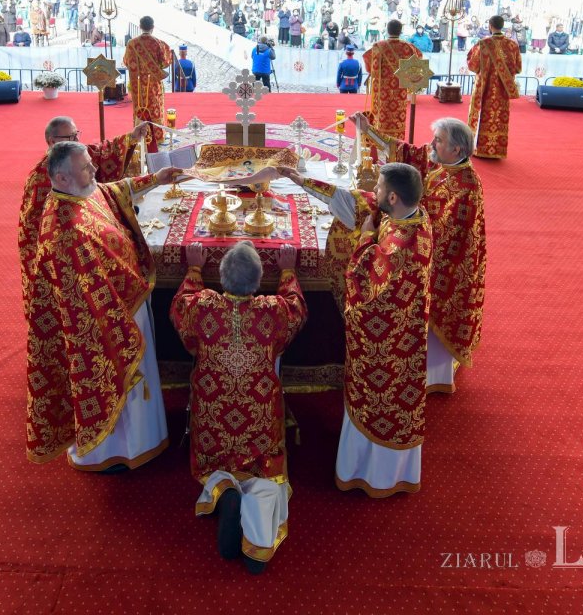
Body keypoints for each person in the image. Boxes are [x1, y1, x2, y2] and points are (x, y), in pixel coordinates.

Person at [271, 162, 433, 496]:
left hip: (385, 344)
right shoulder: (416, 215)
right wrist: (300, 180)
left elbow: (364, 281)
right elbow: (352, 199)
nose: (372, 194)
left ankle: (369, 472)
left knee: (378, 400)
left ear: (392, 196)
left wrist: (364, 237)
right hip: (406, 335)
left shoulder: (399, 247)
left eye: (378, 189)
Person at [25, 141, 183, 472]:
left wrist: (156, 178)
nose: (94, 170)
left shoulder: (81, 192)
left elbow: (112, 191)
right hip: (107, 328)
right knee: (124, 386)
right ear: (62, 178)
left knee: (141, 390)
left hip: (128, 303)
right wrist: (121, 330)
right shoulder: (64, 234)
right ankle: (117, 452)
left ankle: (145, 440)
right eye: (86, 168)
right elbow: (82, 306)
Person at [172, 241, 306, 574]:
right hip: (257, 421)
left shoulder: (202, 307)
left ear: (221, 277)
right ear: (259, 281)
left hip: (212, 419)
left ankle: (222, 485)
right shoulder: (272, 311)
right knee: (265, 474)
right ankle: (257, 539)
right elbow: (298, 308)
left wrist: (192, 269)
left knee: (215, 455)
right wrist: (288, 271)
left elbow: (179, 307)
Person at [355, 113, 487, 392]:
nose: (431, 145)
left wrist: (402, 228)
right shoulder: (443, 165)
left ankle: (434, 376)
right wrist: (370, 131)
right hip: (425, 248)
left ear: (457, 150)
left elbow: (448, 234)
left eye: (438, 141)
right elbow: (411, 153)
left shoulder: (468, 188)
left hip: (447, 266)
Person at [465, 15, 522, 159]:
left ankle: (479, 148)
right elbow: (518, 68)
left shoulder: (483, 43)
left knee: (482, 114)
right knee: (498, 117)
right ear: (502, 25)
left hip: (484, 87)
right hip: (502, 89)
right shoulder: (512, 45)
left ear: (490, 25)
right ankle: (497, 150)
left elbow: (473, 65)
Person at [363, 19, 422, 142]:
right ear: (400, 31)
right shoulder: (408, 47)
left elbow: (371, 68)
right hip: (400, 91)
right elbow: (419, 60)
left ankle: (381, 140)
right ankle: (397, 143)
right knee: (397, 117)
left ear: (387, 30)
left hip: (382, 92)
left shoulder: (379, 46)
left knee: (382, 116)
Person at [123, 15, 172, 151]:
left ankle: (140, 134)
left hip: (137, 85)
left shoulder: (132, 44)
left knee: (140, 107)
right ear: (152, 27)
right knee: (155, 107)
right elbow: (166, 62)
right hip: (153, 85)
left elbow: (126, 62)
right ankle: (158, 135)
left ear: (140, 26)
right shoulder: (158, 43)